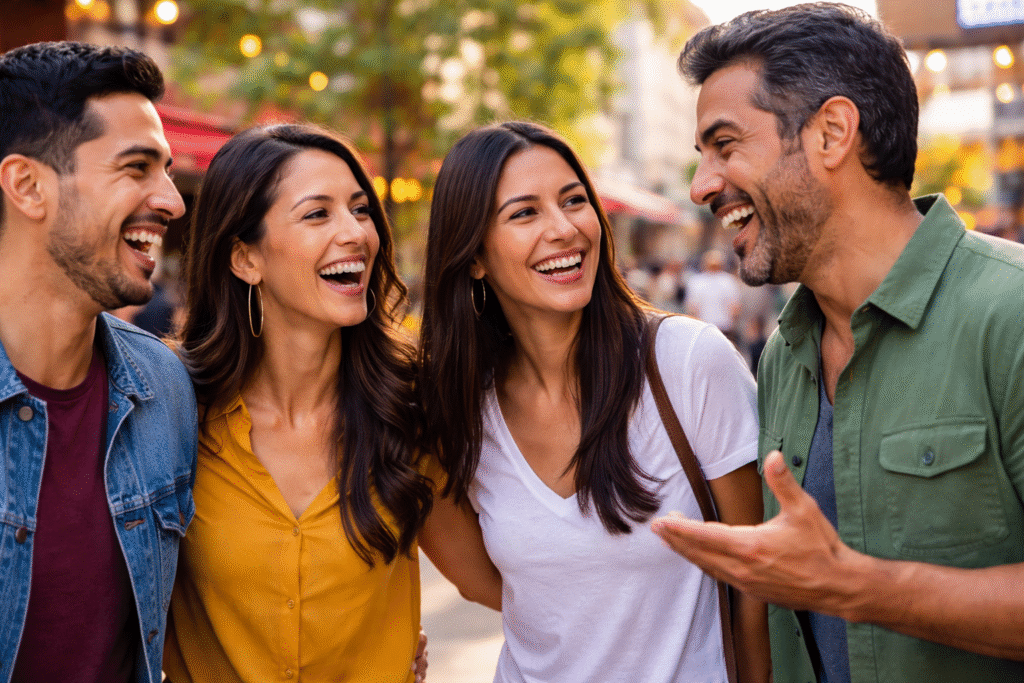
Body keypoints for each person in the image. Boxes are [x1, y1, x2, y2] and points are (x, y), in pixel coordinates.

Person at [652, 4, 1024, 682]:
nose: (703, 184)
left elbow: (831, 585)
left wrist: (854, 586)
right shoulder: (780, 358)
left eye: (725, 144)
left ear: (831, 132)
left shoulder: (1011, 314)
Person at [417, 121, 769, 683]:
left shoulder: (686, 362)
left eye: (574, 201)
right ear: (474, 256)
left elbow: (759, 577)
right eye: (524, 213)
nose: (564, 229)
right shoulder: (458, 407)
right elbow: (483, 582)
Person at [164, 123, 431, 683]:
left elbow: (503, 569)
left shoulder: (410, 404)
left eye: (360, 209)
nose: (355, 233)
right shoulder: (170, 413)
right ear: (244, 259)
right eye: (318, 214)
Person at [0, 42, 196, 683]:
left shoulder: (165, 387)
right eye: (136, 167)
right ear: (29, 186)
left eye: (165, 169)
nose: (171, 201)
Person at [685, 249, 741, 342]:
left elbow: (692, 308)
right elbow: (735, 308)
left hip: (708, 326)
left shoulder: (696, 281)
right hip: (719, 327)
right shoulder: (729, 280)